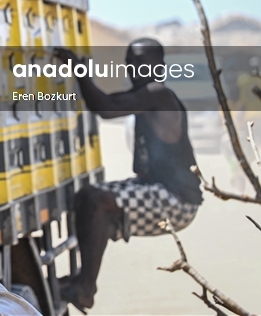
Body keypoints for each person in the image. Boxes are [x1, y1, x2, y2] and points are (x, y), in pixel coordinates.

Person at [54, 40, 203, 313]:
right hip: (158, 189)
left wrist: (77, 68)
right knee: (88, 198)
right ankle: (82, 281)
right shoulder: (148, 96)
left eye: (141, 62)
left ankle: (85, 286)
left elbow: (106, 107)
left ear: (159, 67)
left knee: (95, 200)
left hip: (177, 199)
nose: (134, 68)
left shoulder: (157, 94)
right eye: (131, 62)